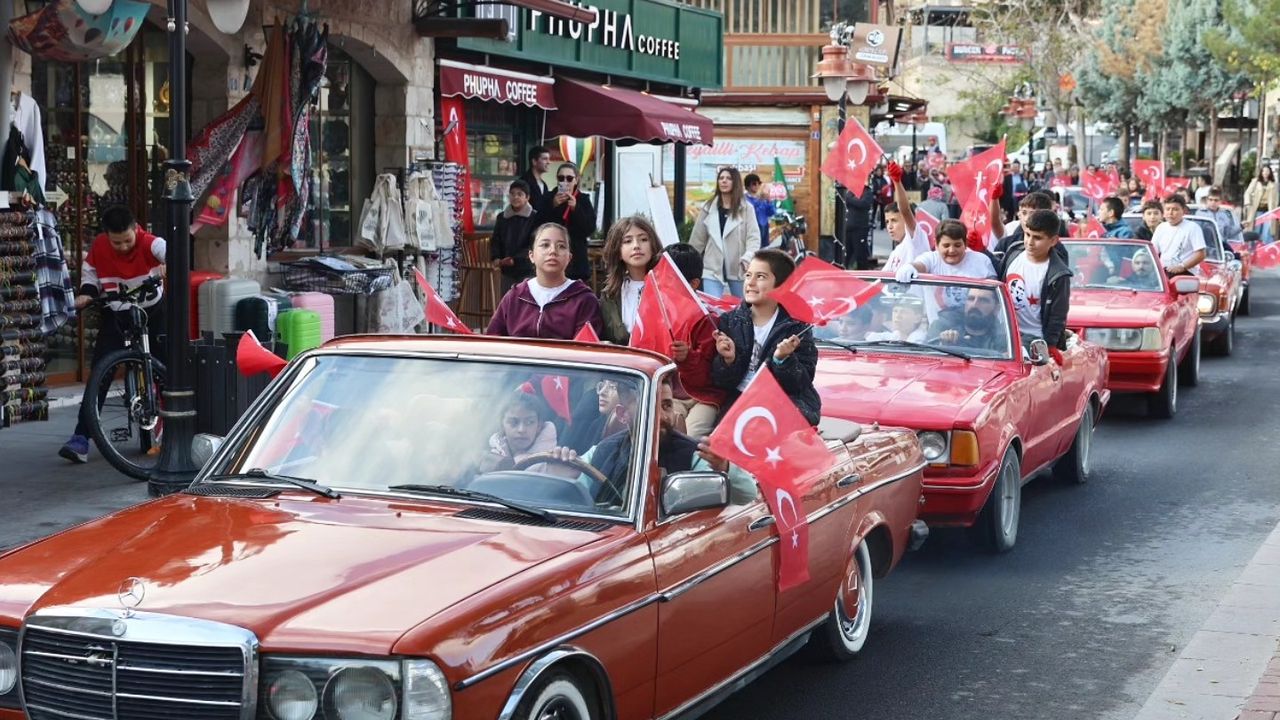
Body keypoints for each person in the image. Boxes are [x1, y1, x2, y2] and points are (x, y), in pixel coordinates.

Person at [60, 206, 168, 463]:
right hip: (118, 312)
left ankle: (174, 432)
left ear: (136, 229)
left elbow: (171, 250)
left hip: (153, 311)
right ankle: (81, 438)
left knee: (166, 370)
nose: (121, 246)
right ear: (106, 235)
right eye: (115, 241)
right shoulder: (99, 247)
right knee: (101, 371)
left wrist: (167, 264)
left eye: (127, 240)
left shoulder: (150, 243)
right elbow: (90, 274)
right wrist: (86, 292)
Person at [548, 376, 755, 510]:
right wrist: (561, 479)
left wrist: (725, 468)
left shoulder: (692, 455)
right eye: (651, 406)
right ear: (622, 414)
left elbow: (749, 495)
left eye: (666, 405)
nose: (663, 416)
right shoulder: (601, 451)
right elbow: (566, 504)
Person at [711, 249, 820, 426]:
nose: (750, 283)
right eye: (748, 275)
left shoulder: (797, 327)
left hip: (781, 405)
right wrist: (728, 360)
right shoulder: (730, 321)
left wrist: (782, 360)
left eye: (760, 277)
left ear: (781, 287)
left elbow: (800, 383)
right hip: (739, 401)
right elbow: (722, 380)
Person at [486, 222, 604, 340]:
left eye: (561, 246)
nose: (553, 251)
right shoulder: (515, 297)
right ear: (531, 256)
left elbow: (585, 349)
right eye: (545, 245)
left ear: (569, 257)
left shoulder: (584, 299)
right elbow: (493, 340)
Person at [663, 243, 725, 439]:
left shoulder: (709, 319)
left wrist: (687, 357)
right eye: (663, 277)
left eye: (673, 279)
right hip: (670, 395)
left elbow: (708, 377)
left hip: (703, 398)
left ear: (694, 283)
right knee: (663, 431)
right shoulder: (657, 312)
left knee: (689, 439)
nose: (665, 284)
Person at [997, 209, 1072, 350]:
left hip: (1035, 341)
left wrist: (1050, 346)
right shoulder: (1013, 252)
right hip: (1004, 335)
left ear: (1053, 240)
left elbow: (1058, 317)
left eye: (1037, 238)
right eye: (1027, 235)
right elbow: (996, 282)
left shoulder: (1058, 274)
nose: (1030, 242)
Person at [689, 167, 761, 297]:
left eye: (728, 178)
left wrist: (748, 256)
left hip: (738, 266)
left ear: (735, 182)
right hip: (712, 268)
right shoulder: (708, 207)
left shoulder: (746, 209)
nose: (724, 181)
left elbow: (753, 237)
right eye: (721, 178)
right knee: (714, 308)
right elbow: (698, 239)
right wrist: (688, 261)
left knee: (742, 309)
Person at [598, 215, 660, 344]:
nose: (636, 246)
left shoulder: (665, 288)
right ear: (618, 251)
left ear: (653, 245)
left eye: (643, 239)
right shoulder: (610, 294)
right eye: (627, 241)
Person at [538, 162, 596, 281]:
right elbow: (538, 226)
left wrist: (576, 209)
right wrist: (552, 205)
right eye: (561, 178)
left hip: (576, 258)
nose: (565, 182)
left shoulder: (583, 200)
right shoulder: (548, 197)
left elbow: (589, 228)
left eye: (569, 178)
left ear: (576, 180)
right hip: (552, 256)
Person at [478, 390, 560, 474]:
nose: (521, 430)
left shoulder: (554, 461)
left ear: (539, 426)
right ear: (502, 425)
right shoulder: (488, 458)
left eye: (529, 422)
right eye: (513, 422)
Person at [896, 219, 997, 282]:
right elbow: (920, 265)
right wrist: (910, 267)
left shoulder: (981, 261)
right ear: (936, 244)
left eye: (957, 245)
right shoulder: (931, 258)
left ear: (965, 243)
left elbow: (993, 294)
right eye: (946, 245)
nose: (952, 250)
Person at [489, 179, 539, 295]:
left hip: (527, 268)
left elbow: (534, 243)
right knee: (507, 301)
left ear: (527, 197)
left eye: (520, 194)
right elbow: (496, 240)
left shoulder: (534, 217)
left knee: (526, 302)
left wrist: (515, 259)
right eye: (512, 194)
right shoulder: (502, 217)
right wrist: (496, 258)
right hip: (506, 269)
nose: (515, 197)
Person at [882, 161, 933, 273]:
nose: (889, 226)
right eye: (887, 222)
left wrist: (897, 181)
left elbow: (905, 210)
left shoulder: (916, 239)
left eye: (894, 220)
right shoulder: (895, 253)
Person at [932, 287, 1009, 353]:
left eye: (983, 300)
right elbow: (927, 359)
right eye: (971, 299)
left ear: (996, 308)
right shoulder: (942, 326)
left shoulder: (1005, 339)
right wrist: (942, 346)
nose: (974, 305)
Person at [1151, 195, 1206, 276]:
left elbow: (1201, 254)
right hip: (1164, 272)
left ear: (1183, 211)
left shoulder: (1193, 227)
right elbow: (1153, 251)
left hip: (1186, 272)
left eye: (1175, 209)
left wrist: (1182, 267)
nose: (1170, 212)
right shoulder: (1161, 227)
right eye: (1168, 209)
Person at [838, 180, 877, 270]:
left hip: (860, 227)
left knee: (860, 254)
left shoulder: (867, 191)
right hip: (848, 227)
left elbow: (864, 203)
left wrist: (849, 200)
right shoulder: (850, 191)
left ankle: (863, 274)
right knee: (846, 254)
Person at [1244, 165, 1278, 242]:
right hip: (1256, 210)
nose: (1265, 173)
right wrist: (1248, 204)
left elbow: (1276, 198)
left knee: (1267, 232)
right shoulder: (1255, 182)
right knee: (1256, 231)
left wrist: (1274, 210)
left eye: (1267, 171)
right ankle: (1253, 249)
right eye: (1264, 171)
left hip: (1268, 211)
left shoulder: (1273, 184)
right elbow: (1247, 193)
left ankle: (1265, 250)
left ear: (1270, 173)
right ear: (1261, 172)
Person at [743, 173, 776, 245]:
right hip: (751, 229)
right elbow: (751, 210)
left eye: (759, 183)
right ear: (748, 185)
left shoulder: (763, 198)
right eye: (754, 183)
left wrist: (769, 201)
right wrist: (760, 200)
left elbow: (772, 212)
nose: (757, 185)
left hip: (764, 228)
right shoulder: (744, 199)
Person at [520, 145, 552, 210]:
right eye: (545, 159)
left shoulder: (544, 185)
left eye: (549, 159)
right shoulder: (523, 182)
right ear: (534, 161)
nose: (549, 162)